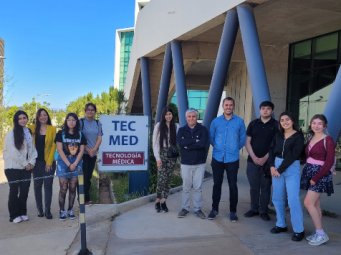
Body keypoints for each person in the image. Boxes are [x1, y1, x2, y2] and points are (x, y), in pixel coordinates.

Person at [208, 97, 246, 222]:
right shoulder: (216, 122)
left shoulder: (239, 122)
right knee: (216, 185)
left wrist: (234, 148)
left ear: (233, 106)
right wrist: (219, 148)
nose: (228, 107)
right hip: (217, 158)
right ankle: (214, 209)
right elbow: (211, 138)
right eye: (226, 105)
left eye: (230, 105)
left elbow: (242, 139)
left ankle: (233, 212)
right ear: (223, 106)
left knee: (233, 186)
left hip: (232, 158)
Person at [268, 112, 305, 241]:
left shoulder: (299, 136)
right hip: (276, 165)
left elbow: (294, 155)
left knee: (293, 199)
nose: (285, 122)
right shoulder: (278, 135)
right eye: (282, 120)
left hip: (291, 167)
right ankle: (281, 224)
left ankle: (299, 230)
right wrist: (272, 166)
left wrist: (280, 169)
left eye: (287, 119)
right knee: (277, 197)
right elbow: (271, 150)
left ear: (292, 121)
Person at [301, 114, 335, 246]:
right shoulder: (311, 137)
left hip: (320, 175)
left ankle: (321, 234)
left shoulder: (328, 140)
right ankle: (318, 231)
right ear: (310, 124)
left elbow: (329, 162)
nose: (316, 125)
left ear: (324, 125)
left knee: (308, 203)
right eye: (314, 123)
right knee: (315, 204)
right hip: (310, 171)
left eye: (319, 123)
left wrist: (316, 178)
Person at [244, 101, 278, 221]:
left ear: (272, 111)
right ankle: (254, 209)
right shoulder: (253, 124)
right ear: (259, 110)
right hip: (252, 160)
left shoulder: (276, 125)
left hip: (268, 162)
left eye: (268, 109)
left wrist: (265, 158)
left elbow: (276, 145)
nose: (265, 111)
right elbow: (247, 142)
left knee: (266, 186)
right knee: (254, 186)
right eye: (263, 108)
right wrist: (253, 157)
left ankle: (263, 210)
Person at [3, 110, 37, 223]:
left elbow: (33, 150)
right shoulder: (11, 134)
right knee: (14, 191)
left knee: (24, 191)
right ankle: (13, 215)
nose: (23, 120)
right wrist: (25, 164)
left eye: (24, 117)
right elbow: (13, 152)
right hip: (13, 168)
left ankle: (22, 212)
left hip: (27, 168)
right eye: (20, 118)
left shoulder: (28, 132)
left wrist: (32, 162)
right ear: (16, 120)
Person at [177, 108, 208, 219]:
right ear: (186, 118)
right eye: (189, 117)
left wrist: (188, 145)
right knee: (186, 187)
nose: (191, 118)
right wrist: (195, 141)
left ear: (197, 117)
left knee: (198, 187)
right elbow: (181, 144)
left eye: (193, 116)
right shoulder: (181, 130)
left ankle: (197, 209)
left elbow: (203, 144)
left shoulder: (203, 129)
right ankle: (185, 208)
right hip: (185, 163)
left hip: (199, 163)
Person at [55, 113, 87, 220]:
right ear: (66, 121)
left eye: (73, 120)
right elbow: (60, 150)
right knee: (63, 187)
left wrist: (75, 163)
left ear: (76, 121)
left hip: (76, 161)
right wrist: (69, 164)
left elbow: (82, 150)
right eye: (69, 120)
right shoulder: (60, 133)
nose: (71, 122)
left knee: (73, 188)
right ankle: (62, 211)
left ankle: (70, 209)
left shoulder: (81, 134)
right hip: (63, 162)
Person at [29, 108, 57, 219]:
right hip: (36, 163)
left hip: (48, 162)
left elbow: (54, 147)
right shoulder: (31, 128)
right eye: (40, 115)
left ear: (47, 116)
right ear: (37, 117)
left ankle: (47, 211)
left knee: (48, 186)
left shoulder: (52, 129)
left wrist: (49, 162)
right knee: (37, 186)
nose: (43, 117)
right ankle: (40, 210)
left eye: (45, 115)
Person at [152, 106, 179, 212]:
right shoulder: (159, 126)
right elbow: (154, 144)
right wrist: (157, 158)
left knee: (168, 179)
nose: (168, 116)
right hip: (162, 154)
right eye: (166, 114)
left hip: (172, 155)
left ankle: (164, 201)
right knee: (161, 179)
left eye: (170, 114)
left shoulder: (177, 126)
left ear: (173, 115)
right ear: (163, 115)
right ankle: (157, 200)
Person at [80, 103, 103, 205]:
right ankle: (83, 199)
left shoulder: (98, 123)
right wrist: (88, 150)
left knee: (88, 177)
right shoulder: (81, 122)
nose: (90, 111)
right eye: (88, 109)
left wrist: (94, 149)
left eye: (92, 109)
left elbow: (99, 138)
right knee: (83, 177)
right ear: (85, 111)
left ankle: (86, 198)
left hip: (93, 154)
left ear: (95, 111)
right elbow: (79, 138)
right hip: (83, 154)